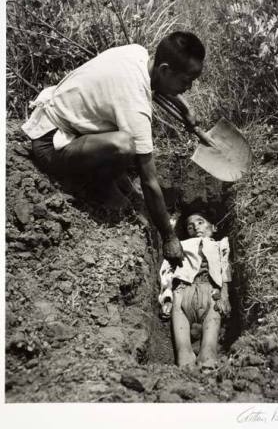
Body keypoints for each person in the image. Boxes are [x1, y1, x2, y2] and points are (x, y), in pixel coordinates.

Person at [21, 31, 206, 267]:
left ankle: (105, 173)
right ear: (165, 70)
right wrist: (169, 237)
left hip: (64, 119)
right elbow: (149, 181)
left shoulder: (137, 53)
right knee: (125, 146)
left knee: (127, 144)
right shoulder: (135, 106)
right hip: (50, 142)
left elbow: (157, 83)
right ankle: (98, 185)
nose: (189, 87)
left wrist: (184, 108)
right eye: (185, 81)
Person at [158, 211, 232, 368]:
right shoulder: (180, 245)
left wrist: (225, 294)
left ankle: (207, 360)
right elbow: (167, 272)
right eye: (190, 226)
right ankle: (185, 362)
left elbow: (225, 268)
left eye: (200, 222)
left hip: (211, 291)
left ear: (214, 227)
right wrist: (167, 298)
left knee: (209, 353)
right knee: (183, 355)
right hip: (182, 290)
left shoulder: (220, 245)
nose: (195, 227)